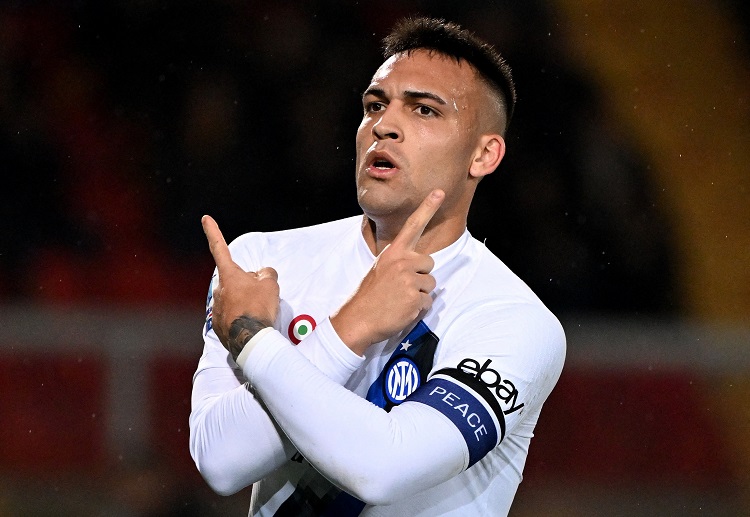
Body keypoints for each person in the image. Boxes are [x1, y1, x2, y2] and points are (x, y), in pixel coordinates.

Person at [190, 16, 565, 517]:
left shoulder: (513, 318)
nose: (384, 126)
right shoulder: (263, 263)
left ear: (483, 155)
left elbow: (384, 468)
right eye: (375, 105)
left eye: (425, 110)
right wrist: (351, 329)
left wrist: (254, 340)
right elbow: (220, 462)